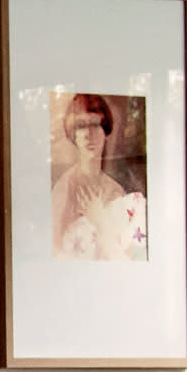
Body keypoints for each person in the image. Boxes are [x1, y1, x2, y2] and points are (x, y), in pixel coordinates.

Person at [52, 92, 146, 261]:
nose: (89, 134)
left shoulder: (116, 189)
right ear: (74, 135)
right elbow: (56, 252)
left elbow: (127, 255)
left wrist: (100, 222)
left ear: (105, 130)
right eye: (81, 126)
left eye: (95, 124)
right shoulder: (64, 188)